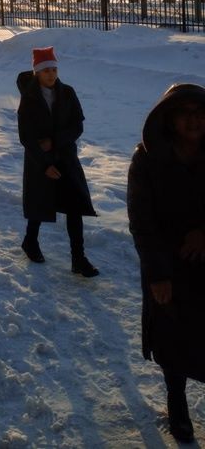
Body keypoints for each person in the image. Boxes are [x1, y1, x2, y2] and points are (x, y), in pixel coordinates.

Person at [127, 83, 205, 443]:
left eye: (200, 111)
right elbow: (142, 221)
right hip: (166, 268)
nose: (195, 119)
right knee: (173, 339)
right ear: (169, 119)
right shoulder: (147, 160)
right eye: (185, 112)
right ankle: (177, 404)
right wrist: (157, 273)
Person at [17, 46, 98, 276]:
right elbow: (26, 137)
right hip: (39, 161)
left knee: (75, 206)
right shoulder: (29, 99)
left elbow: (77, 126)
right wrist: (44, 165)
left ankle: (78, 258)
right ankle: (30, 241)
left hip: (65, 158)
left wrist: (54, 141)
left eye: (54, 69)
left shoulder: (68, 93)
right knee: (40, 204)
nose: (51, 74)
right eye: (46, 71)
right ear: (37, 73)